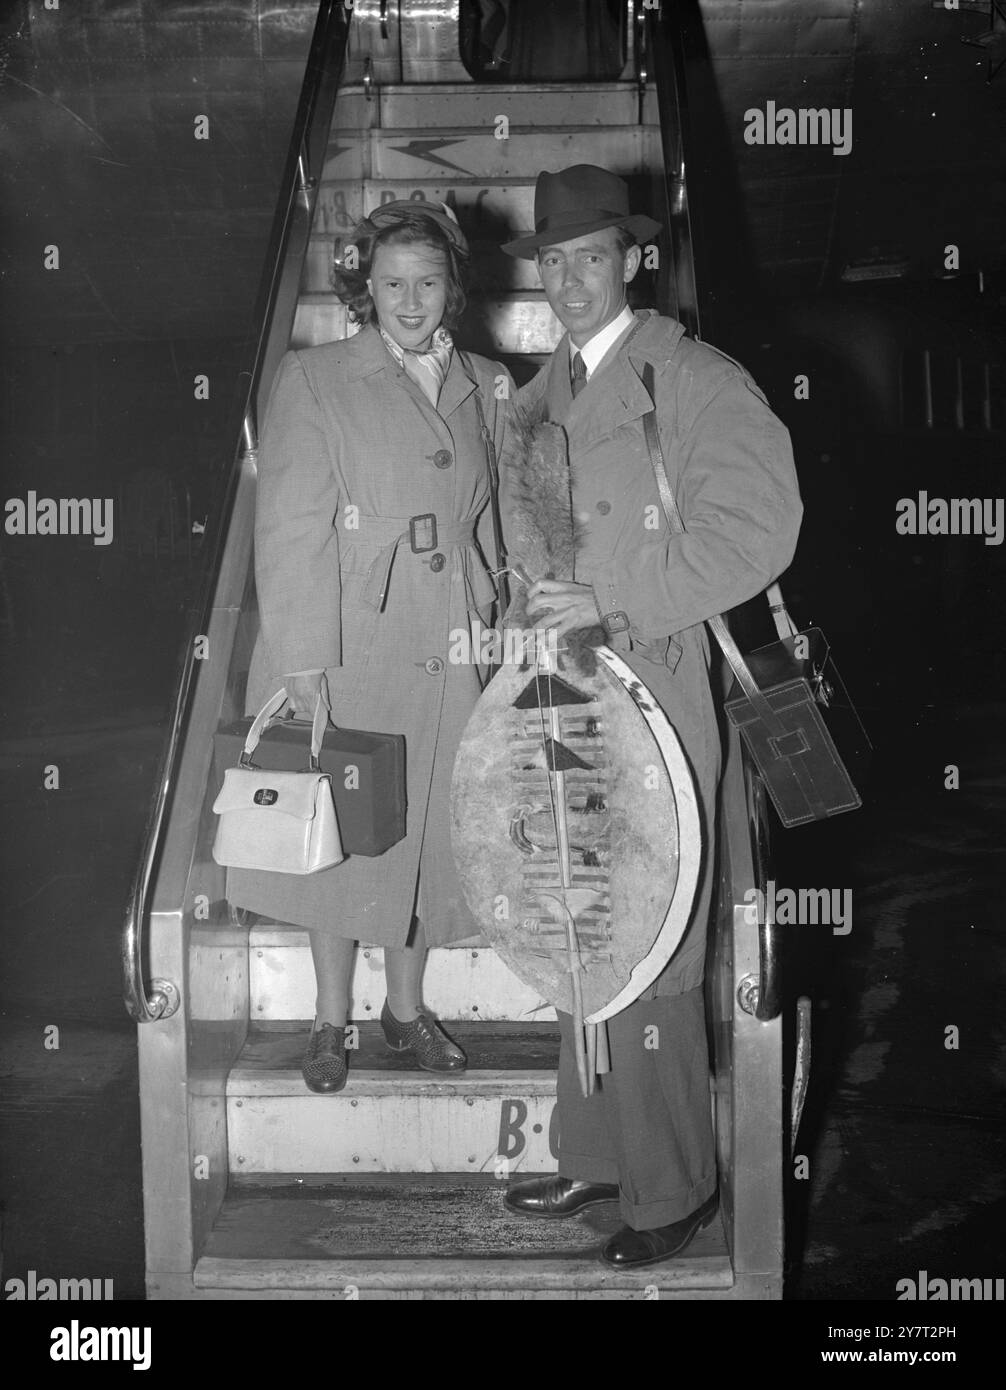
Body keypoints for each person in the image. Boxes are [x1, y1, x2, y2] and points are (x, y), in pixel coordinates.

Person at [499, 165, 803, 1268]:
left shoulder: (693, 380)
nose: (570, 278)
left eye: (591, 256)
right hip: (554, 694)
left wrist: (617, 600)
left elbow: (758, 532)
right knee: (574, 921)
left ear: (632, 259)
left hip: (659, 686)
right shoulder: (535, 397)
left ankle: (671, 1184)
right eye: (553, 260)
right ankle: (597, 1149)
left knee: (658, 940)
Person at [234, 201, 510, 1094]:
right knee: (343, 837)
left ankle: (405, 1007)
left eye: (428, 282)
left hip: (454, 638)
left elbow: (499, 519)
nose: (410, 299)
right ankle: (327, 1019)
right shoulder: (315, 379)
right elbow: (288, 527)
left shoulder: (486, 381)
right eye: (391, 282)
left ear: (453, 290)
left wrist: (503, 623)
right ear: (363, 288)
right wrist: (303, 662)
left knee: (428, 828)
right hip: (349, 643)